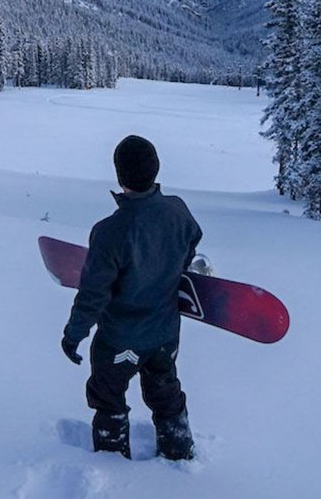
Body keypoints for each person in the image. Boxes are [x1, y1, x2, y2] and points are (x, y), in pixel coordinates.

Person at [60, 134, 203, 460]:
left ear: (120, 176)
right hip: (165, 335)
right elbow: (192, 240)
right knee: (165, 391)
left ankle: (112, 464)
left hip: (118, 340)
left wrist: (74, 335)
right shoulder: (178, 211)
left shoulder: (110, 231)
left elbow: (93, 294)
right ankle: (179, 450)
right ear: (155, 170)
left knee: (108, 397)